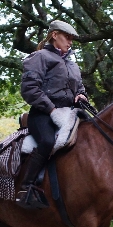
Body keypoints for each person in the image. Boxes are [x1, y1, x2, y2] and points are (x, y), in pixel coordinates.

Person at [17, 20, 88, 209]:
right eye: (67, 37)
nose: (70, 42)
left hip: (69, 113)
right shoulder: (39, 57)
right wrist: (51, 109)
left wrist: (81, 95)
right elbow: (29, 89)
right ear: (55, 35)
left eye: (72, 39)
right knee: (47, 141)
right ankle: (26, 187)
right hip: (42, 114)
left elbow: (79, 88)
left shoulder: (72, 65)